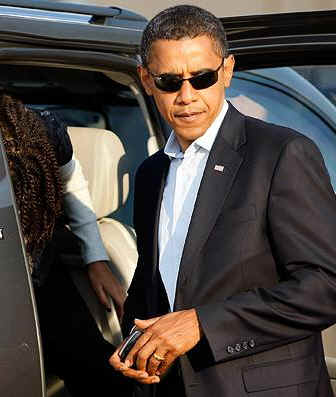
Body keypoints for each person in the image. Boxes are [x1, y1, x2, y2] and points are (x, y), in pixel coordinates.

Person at [110, 5, 336, 397]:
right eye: (168, 81)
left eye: (202, 77)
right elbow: (154, 282)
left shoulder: (281, 153)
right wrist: (136, 343)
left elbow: (325, 286)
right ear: (146, 80)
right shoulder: (150, 174)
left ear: (227, 71)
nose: (186, 96)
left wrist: (202, 324)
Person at [0, 93, 131, 396]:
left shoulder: (41, 131)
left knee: (96, 371)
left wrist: (95, 258)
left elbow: (72, 183)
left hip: (38, 274)